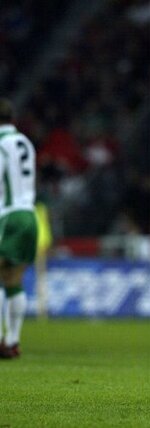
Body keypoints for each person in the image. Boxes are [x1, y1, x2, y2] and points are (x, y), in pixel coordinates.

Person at [0, 98, 38, 359]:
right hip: (29, 215)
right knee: (14, 279)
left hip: (8, 216)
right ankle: (12, 341)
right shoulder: (26, 142)